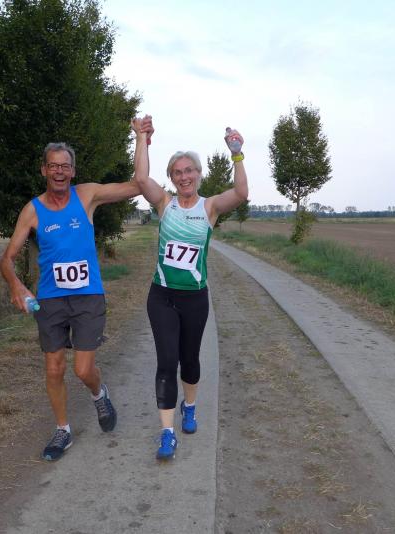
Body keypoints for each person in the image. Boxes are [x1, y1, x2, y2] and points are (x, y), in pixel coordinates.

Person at [0, 123, 152, 461]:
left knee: (83, 370)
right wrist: (15, 284)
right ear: (44, 170)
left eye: (65, 166)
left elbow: (138, 184)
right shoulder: (32, 210)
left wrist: (141, 140)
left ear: (73, 171)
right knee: (54, 368)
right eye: (53, 166)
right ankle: (63, 430)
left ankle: (99, 394)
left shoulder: (87, 196)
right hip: (50, 299)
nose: (59, 171)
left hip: (87, 296)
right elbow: (7, 259)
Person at [130, 116, 248, 460]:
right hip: (162, 296)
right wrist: (141, 137)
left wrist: (237, 154)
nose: (184, 177)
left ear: (198, 174)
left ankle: (190, 406)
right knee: (167, 362)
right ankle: (167, 433)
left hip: (195, 298)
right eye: (177, 172)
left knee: (189, 359)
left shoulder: (208, 207)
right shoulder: (164, 204)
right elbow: (141, 179)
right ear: (172, 178)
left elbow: (241, 193)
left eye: (189, 171)